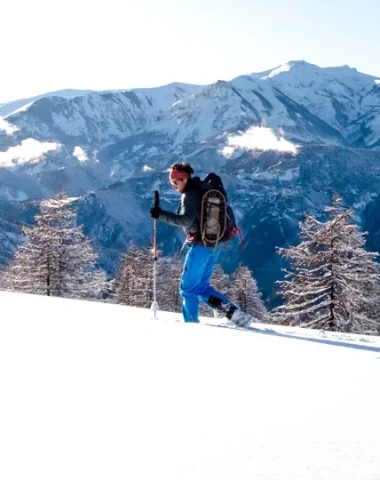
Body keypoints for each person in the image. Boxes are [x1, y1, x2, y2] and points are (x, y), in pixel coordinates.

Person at [149, 162, 251, 326]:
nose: (174, 186)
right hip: (215, 244)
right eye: (172, 182)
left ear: (184, 179)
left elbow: (185, 220)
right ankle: (236, 315)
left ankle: (191, 326)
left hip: (201, 246)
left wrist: (161, 215)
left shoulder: (189, 194)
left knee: (188, 288)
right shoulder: (202, 189)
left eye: (175, 182)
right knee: (201, 287)